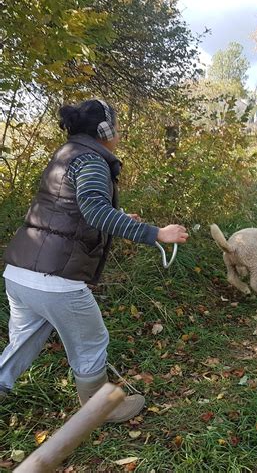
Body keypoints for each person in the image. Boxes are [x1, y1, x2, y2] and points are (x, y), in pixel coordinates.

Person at [0, 99, 188, 422]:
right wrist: (157, 233)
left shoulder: (66, 154)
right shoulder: (91, 160)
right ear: (105, 130)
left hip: (20, 272)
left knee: (21, 342)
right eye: (116, 127)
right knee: (92, 341)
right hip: (55, 280)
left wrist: (115, 215)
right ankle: (101, 410)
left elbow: (70, 209)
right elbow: (95, 212)